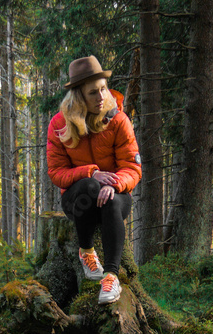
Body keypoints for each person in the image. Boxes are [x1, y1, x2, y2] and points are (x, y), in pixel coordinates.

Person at [46, 55, 142, 304]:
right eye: (93, 93)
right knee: (90, 185)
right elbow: (56, 173)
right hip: (78, 198)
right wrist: (91, 173)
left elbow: (132, 168)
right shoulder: (59, 125)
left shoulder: (118, 120)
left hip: (116, 195)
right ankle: (86, 251)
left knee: (110, 201)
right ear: (79, 97)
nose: (101, 97)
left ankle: (111, 276)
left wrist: (114, 184)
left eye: (103, 89)